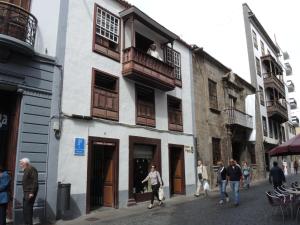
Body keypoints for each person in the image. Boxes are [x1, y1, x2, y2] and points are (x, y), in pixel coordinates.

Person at [20, 158, 38, 225]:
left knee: (28, 211)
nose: (20, 165)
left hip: (29, 193)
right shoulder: (26, 170)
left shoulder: (31, 169)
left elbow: (35, 181)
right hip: (26, 192)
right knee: (25, 210)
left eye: (22, 163)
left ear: (26, 163)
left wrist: (32, 192)